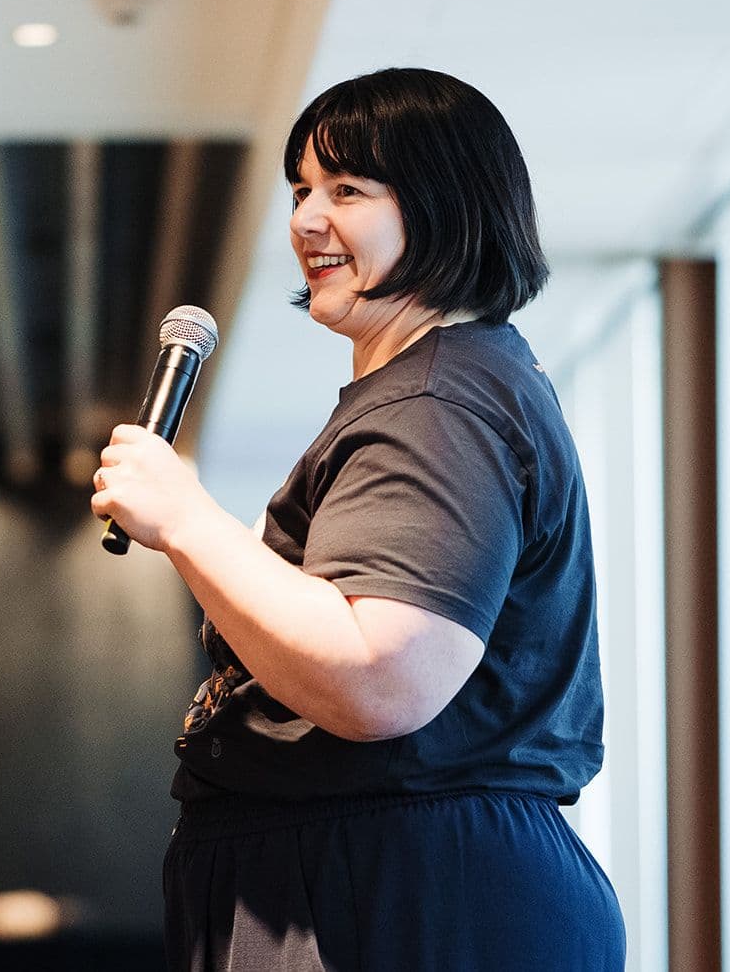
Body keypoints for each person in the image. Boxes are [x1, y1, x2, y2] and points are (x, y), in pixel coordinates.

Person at [90, 67, 625, 971]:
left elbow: (381, 674)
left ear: (444, 204)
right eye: (301, 189)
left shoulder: (441, 399)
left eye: (347, 189)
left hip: (404, 890)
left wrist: (185, 517)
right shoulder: (440, 389)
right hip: (383, 877)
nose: (305, 219)